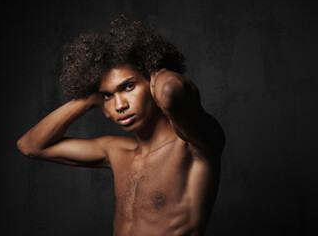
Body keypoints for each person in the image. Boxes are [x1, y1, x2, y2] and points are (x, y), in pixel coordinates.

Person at [17, 14, 225, 236]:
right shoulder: (116, 152)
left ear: (152, 83)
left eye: (128, 87)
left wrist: (157, 68)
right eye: (107, 95)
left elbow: (171, 92)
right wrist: (88, 99)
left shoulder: (195, 147)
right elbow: (30, 146)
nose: (119, 105)